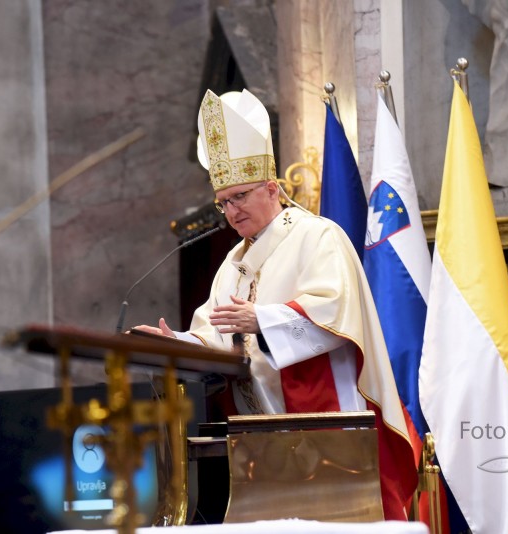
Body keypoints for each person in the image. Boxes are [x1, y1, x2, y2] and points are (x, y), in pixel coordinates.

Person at [135, 88, 416, 520]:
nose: (230, 211)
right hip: (260, 441)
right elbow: (217, 337)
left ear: (272, 188)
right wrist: (179, 343)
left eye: (240, 197)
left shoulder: (318, 236)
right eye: (223, 202)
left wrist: (262, 321)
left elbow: (337, 313)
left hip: (327, 433)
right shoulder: (232, 264)